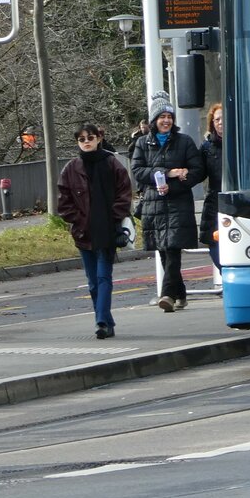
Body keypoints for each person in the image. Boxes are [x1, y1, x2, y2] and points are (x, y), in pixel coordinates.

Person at [57, 123, 133, 338]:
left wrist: (114, 218)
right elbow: (63, 202)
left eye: (90, 137)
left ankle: (101, 321)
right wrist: (79, 221)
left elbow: (124, 194)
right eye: (82, 139)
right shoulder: (71, 168)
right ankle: (107, 322)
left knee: (103, 277)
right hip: (84, 232)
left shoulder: (112, 164)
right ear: (77, 142)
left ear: (99, 138)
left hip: (107, 231)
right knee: (92, 282)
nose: (87, 142)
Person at [131, 91, 205, 312]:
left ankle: (167, 295)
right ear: (154, 120)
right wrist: (167, 173)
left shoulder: (185, 142)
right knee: (163, 250)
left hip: (178, 203)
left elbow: (197, 171)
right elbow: (137, 170)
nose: (166, 121)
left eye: (169, 116)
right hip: (154, 204)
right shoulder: (143, 143)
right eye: (162, 117)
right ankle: (180, 294)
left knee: (172, 248)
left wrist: (176, 183)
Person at [198, 103, 223, 272]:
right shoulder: (206, 148)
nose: (220, 122)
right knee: (214, 247)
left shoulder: (243, 143)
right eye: (217, 119)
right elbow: (198, 173)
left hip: (240, 200)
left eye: (223, 118)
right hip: (215, 202)